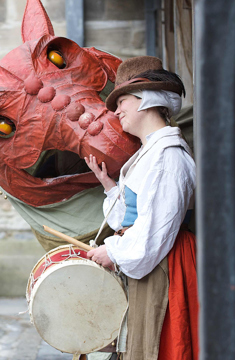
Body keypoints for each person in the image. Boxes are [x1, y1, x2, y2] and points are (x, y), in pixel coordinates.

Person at [84, 56, 199, 360]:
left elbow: (155, 230)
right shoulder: (153, 153)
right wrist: (110, 186)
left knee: (158, 345)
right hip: (154, 258)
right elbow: (137, 213)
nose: (116, 110)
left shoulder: (167, 157)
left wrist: (114, 252)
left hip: (165, 262)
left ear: (147, 101)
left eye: (122, 101)